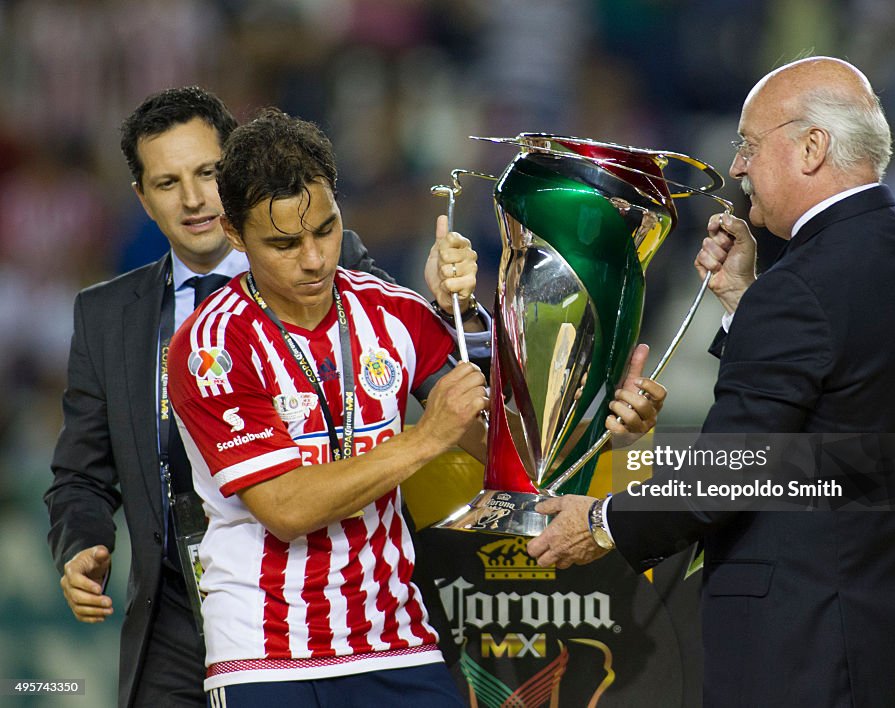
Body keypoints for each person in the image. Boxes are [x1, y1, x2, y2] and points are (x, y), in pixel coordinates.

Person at [166, 108, 663, 706]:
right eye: (283, 243)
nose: (314, 259)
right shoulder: (211, 345)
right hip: (266, 657)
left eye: (326, 230)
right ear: (234, 232)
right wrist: (426, 437)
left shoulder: (392, 312)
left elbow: (505, 451)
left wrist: (599, 418)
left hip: (399, 643)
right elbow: (286, 507)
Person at [527, 56, 895, 707]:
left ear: (813, 147)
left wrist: (599, 523)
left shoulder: (802, 287)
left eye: (750, 144)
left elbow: (731, 472)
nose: (736, 166)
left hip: (807, 650)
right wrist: (742, 302)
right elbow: (838, 417)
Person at [44, 87, 486, 708]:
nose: (194, 197)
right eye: (169, 183)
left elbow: (457, 388)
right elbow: (81, 471)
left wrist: (461, 311)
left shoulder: (356, 277)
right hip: (193, 609)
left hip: (383, 620)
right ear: (142, 199)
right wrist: (83, 543)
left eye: (205, 173)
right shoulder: (121, 318)